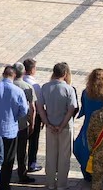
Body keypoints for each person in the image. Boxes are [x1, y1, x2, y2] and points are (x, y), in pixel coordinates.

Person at [38, 62, 77, 190]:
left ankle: (49, 183)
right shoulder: (69, 89)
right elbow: (71, 109)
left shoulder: (45, 87)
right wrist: (61, 125)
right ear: (65, 74)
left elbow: (40, 107)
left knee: (50, 155)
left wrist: (47, 123)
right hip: (64, 127)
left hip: (50, 126)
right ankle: (61, 184)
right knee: (64, 156)